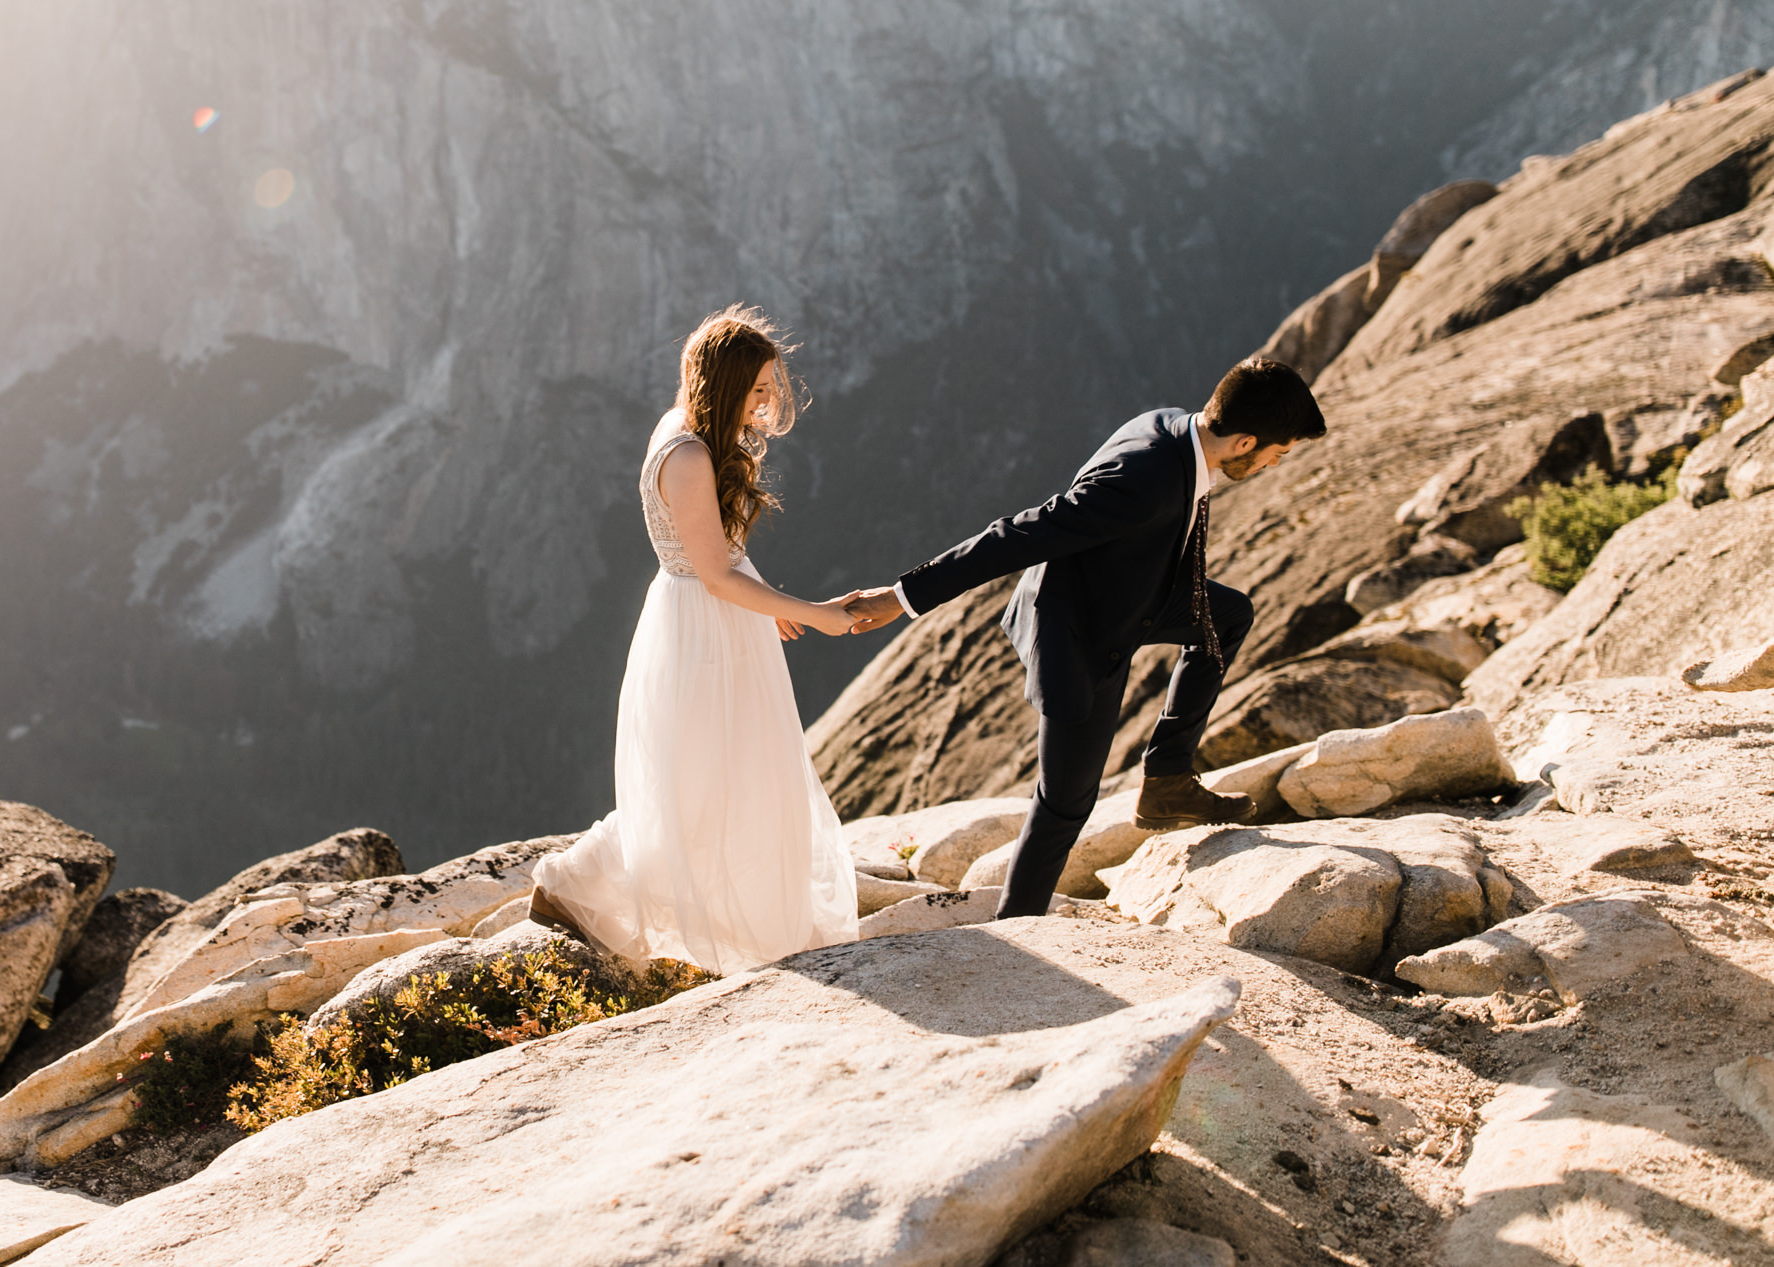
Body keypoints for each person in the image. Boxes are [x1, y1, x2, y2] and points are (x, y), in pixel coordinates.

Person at [842, 357, 1328, 918]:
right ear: (1245, 442)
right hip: (1082, 631)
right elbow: (1019, 535)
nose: (1274, 464)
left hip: (1138, 593)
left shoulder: (1173, 425)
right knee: (1065, 802)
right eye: (1278, 453)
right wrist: (902, 598)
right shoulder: (1145, 478)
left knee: (1228, 614)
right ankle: (1016, 929)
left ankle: (1168, 778)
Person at [530, 306, 861, 973]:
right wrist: (815, 612)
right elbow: (710, 571)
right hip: (701, 627)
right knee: (701, 778)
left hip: (716, 617)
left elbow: (716, 553)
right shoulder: (686, 454)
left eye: (771, 386)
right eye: (758, 387)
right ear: (725, 381)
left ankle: (587, 881)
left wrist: (763, 604)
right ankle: (575, 879)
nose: (767, 401)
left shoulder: (687, 429)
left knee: (717, 773)